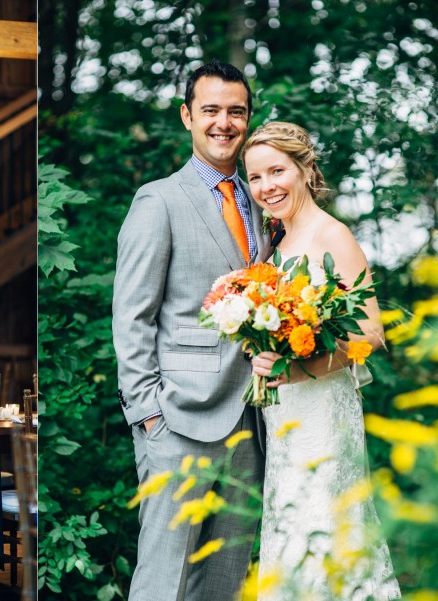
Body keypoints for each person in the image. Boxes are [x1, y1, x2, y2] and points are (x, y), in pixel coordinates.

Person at [112, 60, 269, 601]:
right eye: (211, 111)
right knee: (164, 575)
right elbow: (132, 316)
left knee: (224, 575)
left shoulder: (261, 200)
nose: (224, 122)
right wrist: (148, 414)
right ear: (187, 116)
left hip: (252, 418)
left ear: (247, 119)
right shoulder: (159, 201)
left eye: (236, 111)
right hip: (177, 418)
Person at [243, 121, 401, 600]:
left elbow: (373, 332)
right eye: (255, 177)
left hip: (323, 413)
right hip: (284, 415)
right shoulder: (278, 241)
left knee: (327, 525)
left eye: (277, 171)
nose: (266, 186)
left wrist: (297, 369)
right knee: (291, 528)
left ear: (306, 169)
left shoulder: (332, 234)